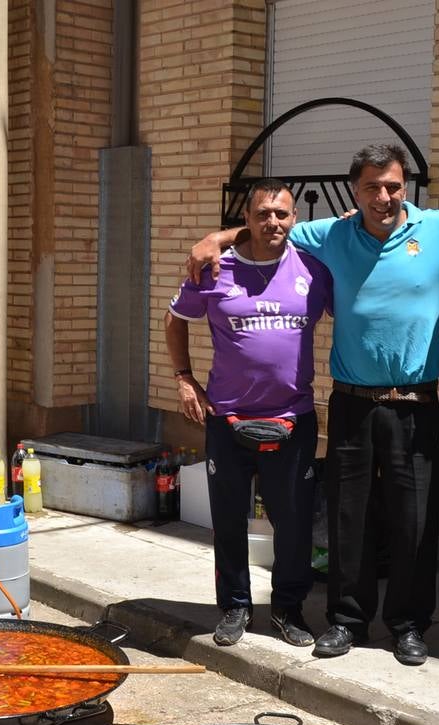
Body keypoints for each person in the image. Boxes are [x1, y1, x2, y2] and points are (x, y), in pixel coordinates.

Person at [187, 144, 439, 665]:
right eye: (372, 188)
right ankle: (347, 621)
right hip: (352, 403)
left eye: (394, 186)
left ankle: (408, 624)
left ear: (407, 188)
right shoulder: (331, 233)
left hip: (415, 404)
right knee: (348, 517)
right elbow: (272, 229)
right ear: (354, 194)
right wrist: (215, 237)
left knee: (415, 522)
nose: (384, 197)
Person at [166, 178, 333, 647]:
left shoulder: (315, 271)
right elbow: (175, 320)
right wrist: (184, 378)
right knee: (230, 519)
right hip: (228, 419)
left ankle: (288, 609)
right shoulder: (215, 269)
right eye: (263, 214)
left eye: (282, 213)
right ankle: (235, 607)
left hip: (293, 420)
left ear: (294, 219)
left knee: (294, 523)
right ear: (248, 220)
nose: (273, 222)